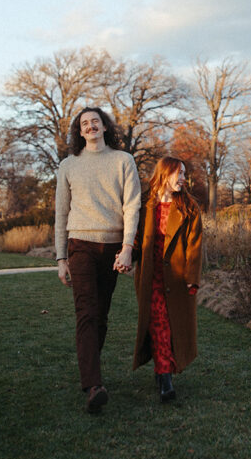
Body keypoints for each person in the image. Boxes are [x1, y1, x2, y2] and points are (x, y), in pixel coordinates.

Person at [55, 106, 141, 413]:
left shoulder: (123, 161)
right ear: (79, 132)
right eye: (84, 124)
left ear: (105, 126)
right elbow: (61, 213)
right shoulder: (68, 165)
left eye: (95, 121)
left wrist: (128, 247)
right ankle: (93, 385)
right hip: (80, 246)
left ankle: (90, 370)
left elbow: (132, 206)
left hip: (112, 246)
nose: (90, 126)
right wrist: (61, 257)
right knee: (87, 312)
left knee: (101, 316)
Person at [132, 156, 203, 402]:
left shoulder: (189, 207)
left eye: (184, 173)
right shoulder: (144, 204)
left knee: (173, 326)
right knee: (158, 323)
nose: (184, 178)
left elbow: (195, 245)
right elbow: (135, 236)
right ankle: (165, 377)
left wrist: (192, 277)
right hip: (150, 277)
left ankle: (163, 370)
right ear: (165, 174)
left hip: (177, 277)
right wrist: (124, 255)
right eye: (179, 173)